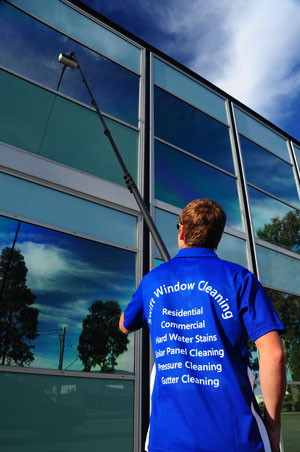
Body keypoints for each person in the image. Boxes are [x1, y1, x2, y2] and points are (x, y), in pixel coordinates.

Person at [119, 199, 286, 452]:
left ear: (182, 231)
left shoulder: (152, 281)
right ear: (217, 238)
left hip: (167, 440)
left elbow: (125, 325)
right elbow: (274, 355)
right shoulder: (239, 279)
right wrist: (273, 429)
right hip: (235, 438)